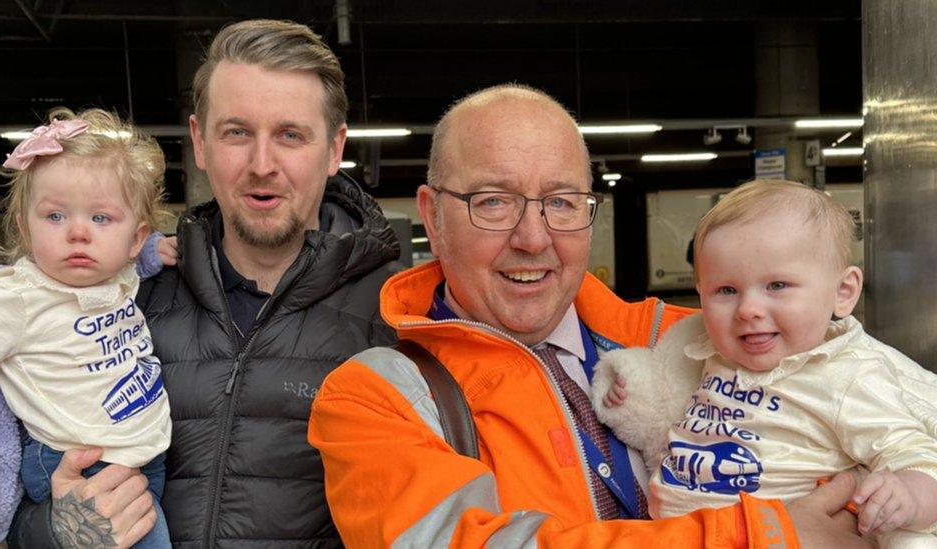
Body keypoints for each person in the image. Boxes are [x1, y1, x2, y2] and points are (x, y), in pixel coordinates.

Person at [308, 85, 870, 547]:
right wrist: (762, 534)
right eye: (494, 201)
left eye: (561, 202)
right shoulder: (374, 399)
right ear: (433, 218)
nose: (533, 239)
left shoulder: (698, 342)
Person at [7, 19, 400, 548]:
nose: (262, 165)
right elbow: (3, 497)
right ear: (199, 141)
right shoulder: (119, 295)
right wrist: (57, 530)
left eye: (290, 135)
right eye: (236, 132)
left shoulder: (399, 317)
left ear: (334, 149)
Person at [594, 179, 937, 547]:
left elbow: (917, 456)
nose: (749, 310)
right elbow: (665, 396)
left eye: (777, 286)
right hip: (684, 536)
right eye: (726, 290)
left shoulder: (847, 376)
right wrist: (631, 390)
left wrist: (908, 494)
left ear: (842, 292)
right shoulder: (710, 352)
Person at [0, 107, 173, 548]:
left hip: (141, 456)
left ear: (134, 238)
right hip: (76, 461)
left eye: (100, 219)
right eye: (55, 217)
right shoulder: (19, 297)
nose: (78, 233)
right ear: (25, 226)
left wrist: (155, 253)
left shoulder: (118, 275)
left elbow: (139, 262)